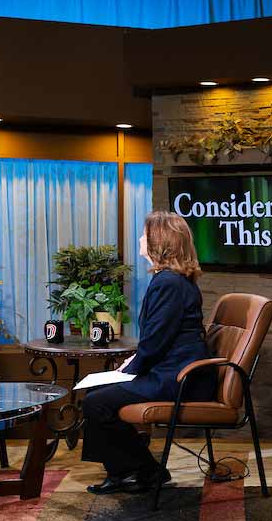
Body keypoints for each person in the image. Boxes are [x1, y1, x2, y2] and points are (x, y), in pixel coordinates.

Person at [82, 211, 216, 495]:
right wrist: (131, 364)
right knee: (96, 397)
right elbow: (158, 340)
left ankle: (141, 471)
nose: (141, 239)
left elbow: (155, 344)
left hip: (178, 377)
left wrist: (128, 369)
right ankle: (130, 471)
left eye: (145, 234)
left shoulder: (168, 283)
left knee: (96, 402)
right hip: (172, 369)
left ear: (160, 241)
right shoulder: (172, 280)